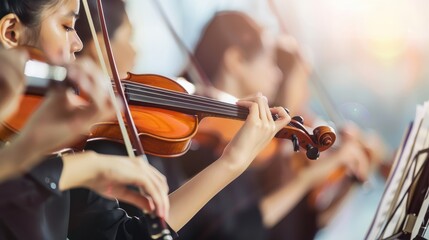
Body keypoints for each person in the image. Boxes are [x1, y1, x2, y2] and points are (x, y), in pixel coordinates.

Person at [0, 1, 290, 239]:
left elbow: (127, 237)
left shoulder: (61, 145)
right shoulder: (59, 155)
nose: (76, 43)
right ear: (11, 32)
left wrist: (231, 163)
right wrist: (83, 167)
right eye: (66, 26)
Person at [174, 11, 372, 240]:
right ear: (236, 60)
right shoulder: (199, 146)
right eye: (269, 60)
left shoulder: (250, 144)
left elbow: (300, 226)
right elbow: (229, 231)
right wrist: (305, 180)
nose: (276, 73)